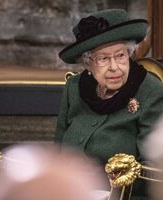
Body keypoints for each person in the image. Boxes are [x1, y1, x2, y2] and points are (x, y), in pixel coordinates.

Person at [55, 9, 163, 199]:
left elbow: (155, 171)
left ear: (129, 54)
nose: (114, 67)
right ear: (88, 63)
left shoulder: (150, 91)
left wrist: (100, 181)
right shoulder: (74, 87)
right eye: (104, 58)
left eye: (120, 56)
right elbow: (58, 150)